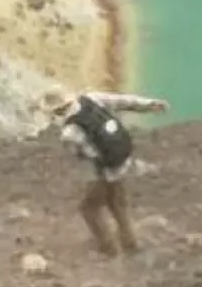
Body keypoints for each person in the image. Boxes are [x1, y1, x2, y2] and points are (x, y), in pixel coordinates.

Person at [48, 89, 169, 257]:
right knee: (118, 204)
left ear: (56, 110)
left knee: (89, 208)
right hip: (123, 159)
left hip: (107, 170)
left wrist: (96, 175)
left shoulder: (70, 132)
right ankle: (131, 244)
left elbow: (88, 155)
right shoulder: (92, 99)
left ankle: (109, 248)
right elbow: (122, 101)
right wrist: (150, 104)